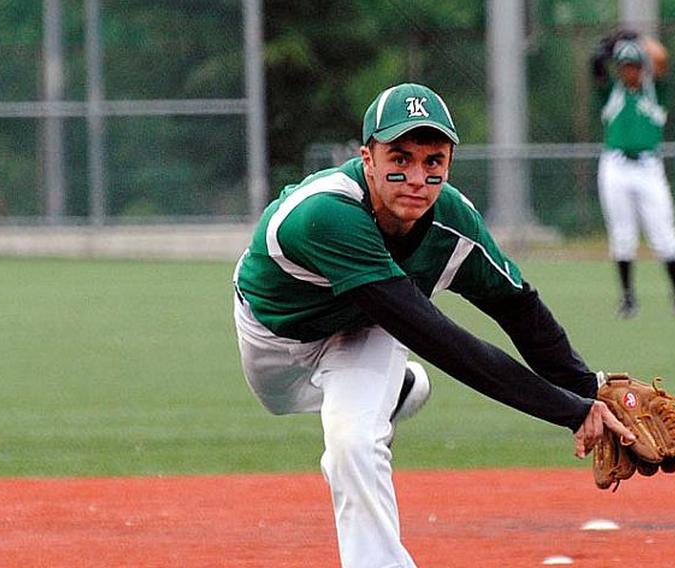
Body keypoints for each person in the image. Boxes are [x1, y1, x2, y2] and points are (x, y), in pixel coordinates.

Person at [232, 83, 635, 568]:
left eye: (433, 161)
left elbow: (518, 308)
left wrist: (591, 390)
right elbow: (441, 341)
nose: (417, 177)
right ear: (367, 157)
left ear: (448, 164)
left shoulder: (453, 222)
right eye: (399, 157)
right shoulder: (327, 213)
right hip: (275, 337)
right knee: (283, 402)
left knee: (353, 445)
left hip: (367, 331)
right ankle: (399, 390)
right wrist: (568, 410)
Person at [591, 31, 675, 318]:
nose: (629, 71)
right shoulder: (612, 92)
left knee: (664, 234)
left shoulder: (655, 91)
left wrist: (639, 37)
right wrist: (609, 46)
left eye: (634, 65)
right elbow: (596, 65)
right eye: (624, 66)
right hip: (616, 166)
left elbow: (661, 57)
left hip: (648, 168)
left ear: (642, 67)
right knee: (622, 235)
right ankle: (628, 299)